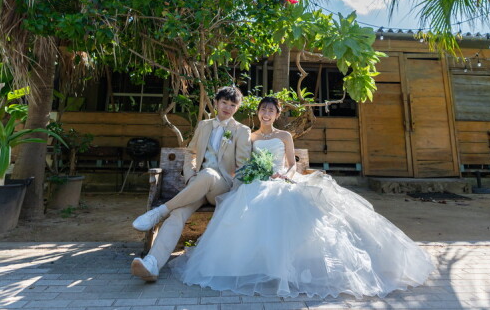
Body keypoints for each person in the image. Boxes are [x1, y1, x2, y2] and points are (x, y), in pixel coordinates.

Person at [170, 96, 435, 298]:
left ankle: (293, 266)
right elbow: (242, 162)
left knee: (291, 204)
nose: (266, 113)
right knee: (250, 204)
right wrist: (255, 174)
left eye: (271, 110)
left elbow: (291, 163)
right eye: (263, 109)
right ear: (258, 112)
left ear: (276, 114)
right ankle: (259, 264)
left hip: (282, 179)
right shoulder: (248, 136)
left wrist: (284, 175)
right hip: (258, 180)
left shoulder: (285, 135)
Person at [130, 86, 251, 282]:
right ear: (216, 103)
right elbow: (191, 154)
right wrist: (191, 177)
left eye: (232, 105)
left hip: (221, 188)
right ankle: (152, 263)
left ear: (237, 108)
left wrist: (234, 197)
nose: (227, 108)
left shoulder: (241, 131)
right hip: (197, 186)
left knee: (209, 174)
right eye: (224, 103)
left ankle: (160, 211)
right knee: (177, 214)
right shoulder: (204, 125)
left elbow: (243, 166)